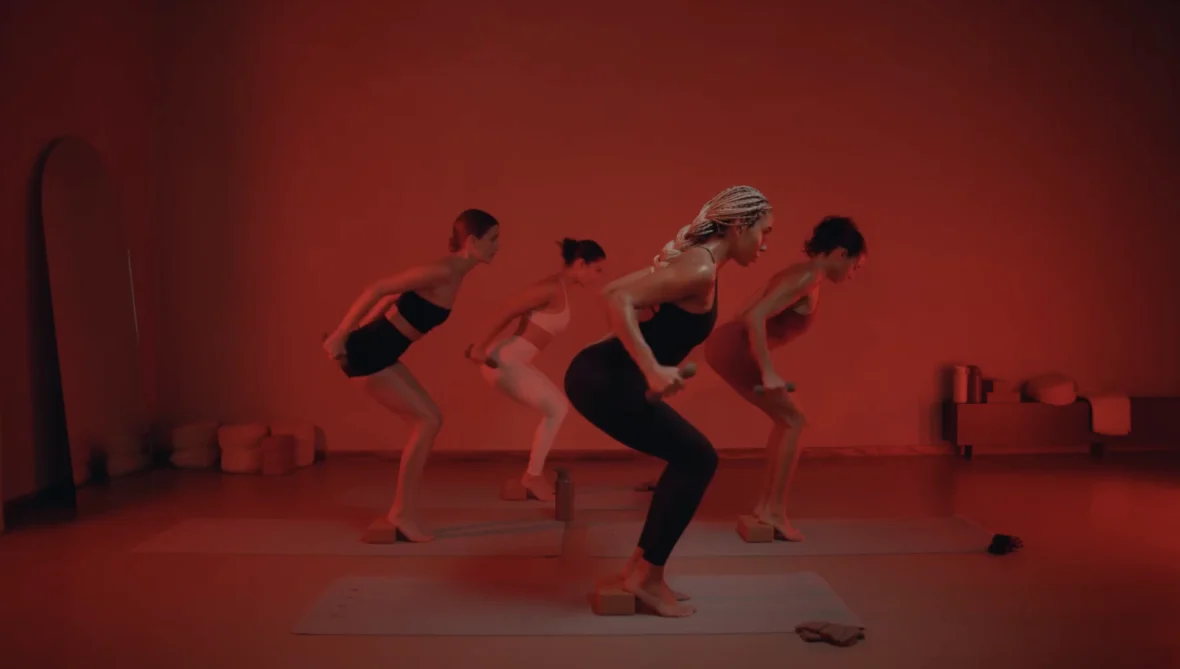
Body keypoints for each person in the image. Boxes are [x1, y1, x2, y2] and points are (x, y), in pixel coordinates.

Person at [563, 186, 774, 617]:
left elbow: (613, 295)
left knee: (693, 456)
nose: (765, 244)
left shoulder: (695, 262)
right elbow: (619, 300)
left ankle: (639, 573)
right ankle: (647, 579)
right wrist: (651, 368)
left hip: (600, 374)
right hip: (604, 379)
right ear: (738, 227)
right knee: (698, 459)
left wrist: (647, 365)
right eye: (763, 232)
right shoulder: (699, 268)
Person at [322, 209, 501, 542]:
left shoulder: (455, 274)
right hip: (368, 355)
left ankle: (402, 512)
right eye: (493, 239)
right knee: (428, 422)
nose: (497, 247)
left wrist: (361, 328)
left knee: (430, 420)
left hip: (380, 351)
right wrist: (343, 333)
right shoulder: (443, 270)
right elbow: (378, 286)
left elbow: (393, 297)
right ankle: (402, 514)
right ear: (472, 240)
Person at [704, 215, 866, 541]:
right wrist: (766, 369)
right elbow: (754, 316)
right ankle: (773, 511)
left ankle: (767, 508)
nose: (852, 275)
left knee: (788, 420)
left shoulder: (797, 274)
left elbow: (748, 311)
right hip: (732, 346)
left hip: (725, 344)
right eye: (855, 266)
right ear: (840, 253)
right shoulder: (807, 278)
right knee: (795, 420)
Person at [464, 238, 608, 500]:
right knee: (557, 408)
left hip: (515, 361)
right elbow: (507, 309)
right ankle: (532, 476)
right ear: (580, 263)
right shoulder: (551, 287)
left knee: (556, 407)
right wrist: (479, 347)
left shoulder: (562, 288)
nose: (599, 278)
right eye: (597, 270)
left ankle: (532, 475)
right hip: (504, 361)